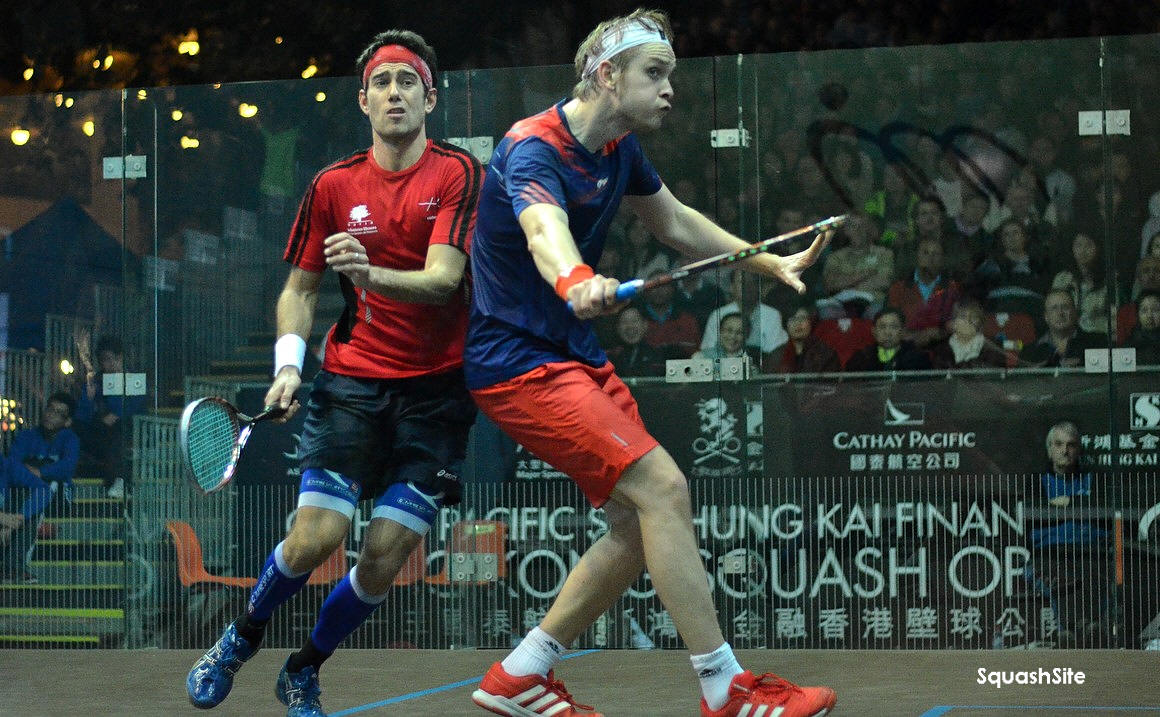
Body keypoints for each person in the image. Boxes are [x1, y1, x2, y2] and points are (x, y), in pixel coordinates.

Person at [464, 9, 836, 717]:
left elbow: (672, 220)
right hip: (516, 364)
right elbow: (543, 229)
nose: (670, 90)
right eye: (655, 73)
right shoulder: (531, 147)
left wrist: (765, 262)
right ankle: (725, 687)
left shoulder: (619, 147)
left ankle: (519, 674)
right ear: (608, 75)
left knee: (637, 526)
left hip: (573, 357)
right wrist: (575, 278)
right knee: (663, 488)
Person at [185, 29, 481, 717]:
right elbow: (299, 288)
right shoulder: (332, 185)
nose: (395, 93)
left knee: (381, 558)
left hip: (436, 396)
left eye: (408, 82)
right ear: (363, 101)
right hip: (352, 385)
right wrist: (288, 367)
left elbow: (443, 280)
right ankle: (239, 638)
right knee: (316, 537)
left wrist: (368, 274)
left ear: (430, 98)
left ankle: (304, 668)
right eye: (382, 82)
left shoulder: (458, 174)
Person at [1024, 421, 1111, 647]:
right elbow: (1034, 515)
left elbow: (1103, 510)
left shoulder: (1095, 479)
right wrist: (1081, 508)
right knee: (1063, 577)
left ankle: (1070, 632)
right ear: (1049, 450)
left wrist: (1067, 503)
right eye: (1059, 444)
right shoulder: (1035, 482)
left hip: (1091, 554)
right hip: (1048, 556)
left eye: (1071, 445)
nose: (1065, 450)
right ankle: (1082, 627)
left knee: (1092, 572)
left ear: (1079, 449)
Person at [1, 393, 79, 584]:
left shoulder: (70, 439)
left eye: (59, 413)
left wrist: (40, 471)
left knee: (35, 500)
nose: (51, 415)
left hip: (58, 496)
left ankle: (13, 566)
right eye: (50, 409)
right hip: (25, 493)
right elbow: (13, 464)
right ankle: (13, 567)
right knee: (23, 497)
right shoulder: (27, 436)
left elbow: (67, 467)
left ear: (67, 421)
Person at [72, 333, 147, 498]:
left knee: (119, 431)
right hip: (100, 429)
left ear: (120, 357)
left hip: (126, 430)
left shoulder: (134, 380)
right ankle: (117, 479)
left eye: (110, 359)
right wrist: (89, 399)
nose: (106, 364)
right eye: (103, 360)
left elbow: (137, 409)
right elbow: (82, 417)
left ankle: (119, 480)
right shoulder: (96, 381)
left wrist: (116, 413)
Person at [699, 268, 789, 362]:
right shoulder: (718, 314)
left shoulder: (772, 315)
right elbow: (708, 351)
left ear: (758, 287)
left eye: (751, 282)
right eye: (742, 282)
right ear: (731, 287)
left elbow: (775, 351)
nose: (747, 286)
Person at [886, 237, 961, 348]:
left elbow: (957, 323)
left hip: (942, 345)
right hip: (904, 345)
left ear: (942, 259)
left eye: (936, 254)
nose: (930, 258)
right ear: (917, 256)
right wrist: (916, 336)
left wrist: (939, 333)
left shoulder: (952, 288)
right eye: (925, 253)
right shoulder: (898, 288)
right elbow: (891, 324)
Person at [1018, 289, 1102, 368]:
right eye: (1054, 308)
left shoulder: (1097, 342)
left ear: (1075, 312)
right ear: (1046, 317)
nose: (1060, 313)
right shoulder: (1028, 353)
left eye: (1065, 307)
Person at [845, 307, 932, 372]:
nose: (887, 332)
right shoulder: (862, 358)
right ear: (874, 331)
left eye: (894, 327)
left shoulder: (918, 358)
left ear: (903, 331)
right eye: (882, 327)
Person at [928, 299, 1007, 369]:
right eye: (963, 317)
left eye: (974, 317)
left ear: (980, 322)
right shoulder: (941, 350)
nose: (969, 321)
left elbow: (991, 373)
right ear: (953, 323)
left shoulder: (994, 347)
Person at [774, 305, 841, 373]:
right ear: (786, 325)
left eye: (802, 318)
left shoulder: (826, 354)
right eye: (792, 319)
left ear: (811, 323)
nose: (797, 323)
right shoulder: (777, 354)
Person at [606, 305, 668, 376]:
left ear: (645, 325)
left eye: (634, 321)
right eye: (624, 322)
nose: (630, 326)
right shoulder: (609, 358)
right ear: (618, 328)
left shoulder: (657, 355)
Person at [1122, 289, 1160, 365]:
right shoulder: (1129, 345)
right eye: (1144, 310)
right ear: (1138, 314)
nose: (1149, 316)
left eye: (1155, 310)